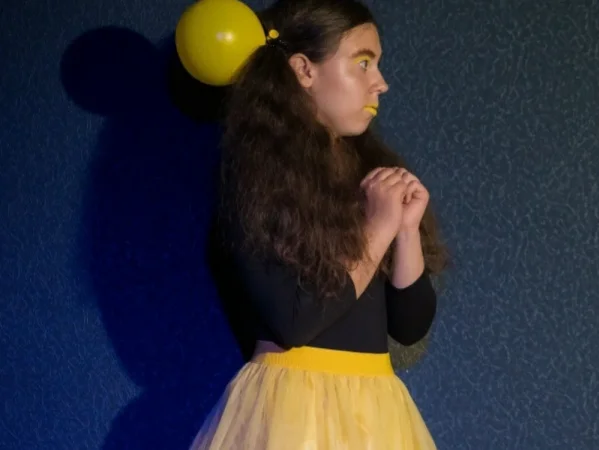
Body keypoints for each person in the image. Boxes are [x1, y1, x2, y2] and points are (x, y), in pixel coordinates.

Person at [191, 0, 448, 448]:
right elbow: (295, 321)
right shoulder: (258, 176)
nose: (380, 83)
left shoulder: (368, 176)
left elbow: (409, 326)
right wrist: (378, 228)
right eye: (363, 63)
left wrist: (405, 230)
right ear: (304, 70)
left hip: (377, 409)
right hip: (293, 410)